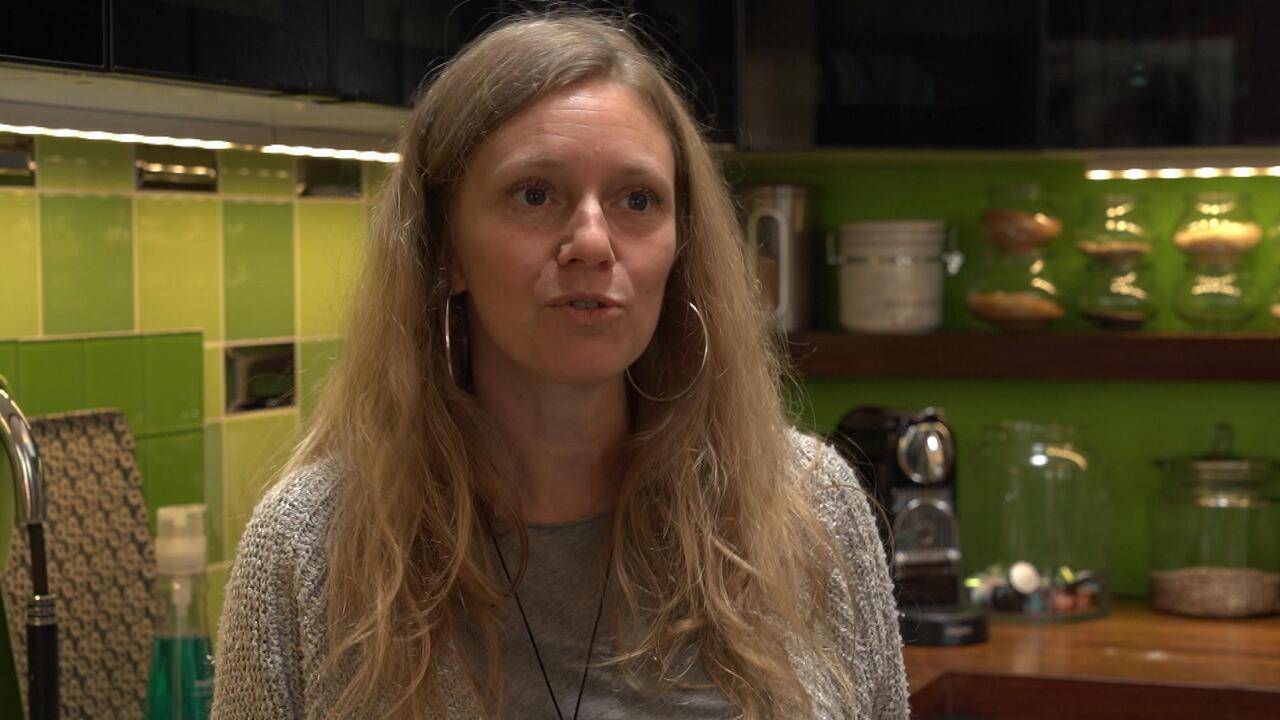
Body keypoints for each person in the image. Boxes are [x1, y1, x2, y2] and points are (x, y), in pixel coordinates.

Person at [212, 11, 908, 720]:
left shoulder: (807, 509)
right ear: (445, 249)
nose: (593, 242)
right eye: (535, 194)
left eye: (637, 200)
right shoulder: (310, 546)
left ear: (681, 248)